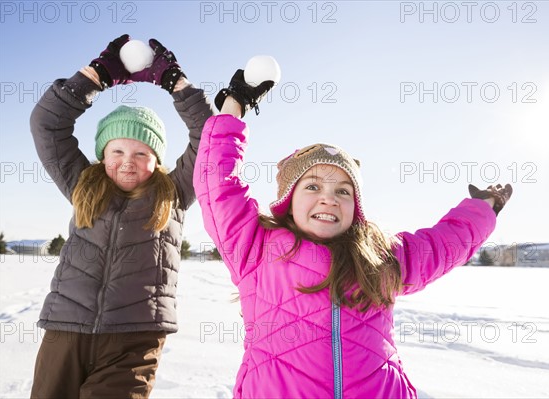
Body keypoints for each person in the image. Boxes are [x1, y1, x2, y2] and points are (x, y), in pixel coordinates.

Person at [193, 70, 513, 398]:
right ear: (288, 201)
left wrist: (482, 209)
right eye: (313, 186)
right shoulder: (256, 247)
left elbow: (442, 244)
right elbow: (218, 186)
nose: (329, 198)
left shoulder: (380, 255)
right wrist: (234, 105)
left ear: (355, 206)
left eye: (343, 191)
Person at [29, 34, 214, 398]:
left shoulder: (172, 194)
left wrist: (177, 83)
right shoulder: (84, 185)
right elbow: (46, 125)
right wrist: (95, 76)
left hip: (135, 339)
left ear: (157, 160)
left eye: (141, 152)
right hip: (67, 329)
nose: (127, 160)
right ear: (102, 153)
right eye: (117, 149)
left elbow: (209, 138)